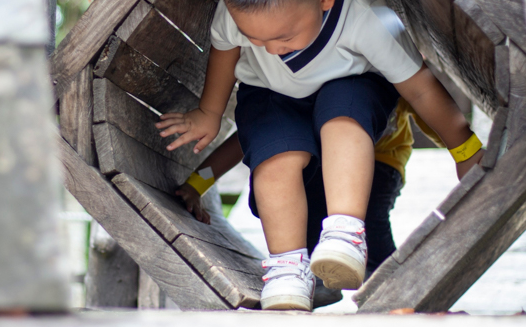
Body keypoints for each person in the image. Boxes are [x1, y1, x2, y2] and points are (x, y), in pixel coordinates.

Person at [156, 0, 483, 311]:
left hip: (356, 99)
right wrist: (208, 115)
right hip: (271, 94)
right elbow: (238, 107)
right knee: (274, 155)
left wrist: (464, 150)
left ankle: (347, 234)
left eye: (283, 37)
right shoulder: (238, 16)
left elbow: (419, 87)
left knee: (340, 115)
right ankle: (289, 269)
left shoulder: (363, 15)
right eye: (254, 38)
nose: (271, 48)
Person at [176, 98, 444, 308]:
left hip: (381, 162)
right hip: (325, 164)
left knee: (369, 222)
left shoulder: (392, 70)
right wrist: (198, 184)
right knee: (301, 211)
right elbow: (243, 142)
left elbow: (433, 111)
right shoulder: (303, 92)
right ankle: (316, 280)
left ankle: (394, 282)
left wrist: (463, 148)